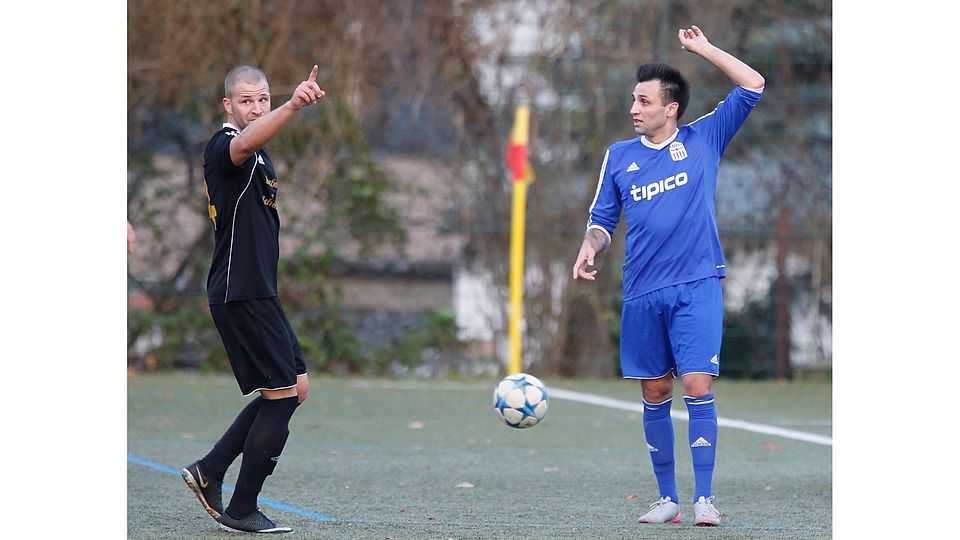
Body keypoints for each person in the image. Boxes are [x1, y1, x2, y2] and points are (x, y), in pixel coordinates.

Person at [571, 25, 764, 527]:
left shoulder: (704, 139)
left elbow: (753, 83)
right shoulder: (619, 156)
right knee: (655, 392)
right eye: (633, 100)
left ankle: (704, 498)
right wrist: (590, 247)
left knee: (698, 383)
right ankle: (667, 499)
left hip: (697, 285)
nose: (634, 108)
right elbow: (603, 221)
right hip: (641, 293)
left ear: (670, 108)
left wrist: (703, 50)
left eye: (644, 100)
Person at [181, 64, 325, 534]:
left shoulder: (261, 157)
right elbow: (244, 143)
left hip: (261, 291)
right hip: (239, 291)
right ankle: (242, 508)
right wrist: (292, 105)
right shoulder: (225, 146)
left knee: (294, 389)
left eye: (263, 98)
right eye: (246, 101)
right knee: (280, 396)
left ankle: (209, 469)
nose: (255, 107)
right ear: (229, 106)